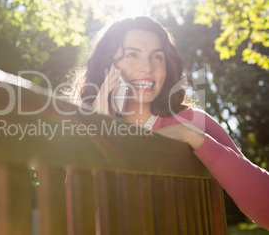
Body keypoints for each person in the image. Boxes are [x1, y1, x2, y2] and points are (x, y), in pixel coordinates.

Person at [71, 16, 269, 229]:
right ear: (107, 65)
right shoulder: (85, 127)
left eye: (157, 57)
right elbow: (72, 221)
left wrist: (191, 135)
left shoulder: (193, 122)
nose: (147, 67)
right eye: (132, 54)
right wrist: (100, 128)